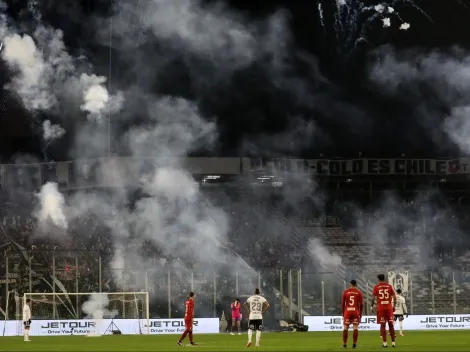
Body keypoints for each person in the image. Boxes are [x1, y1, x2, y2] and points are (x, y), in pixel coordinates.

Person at [371, 274, 397, 348]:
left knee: (383, 325)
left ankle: (385, 344)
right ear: (384, 279)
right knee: (391, 325)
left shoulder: (376, 287)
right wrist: (394, 306)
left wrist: (371, 306)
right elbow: (394, 297)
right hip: (389, 308)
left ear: (378, 279)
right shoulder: (389, 286)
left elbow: (373, 298)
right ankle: (393, 343)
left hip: (381, 308)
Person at [341, 280, 363, 349]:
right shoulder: (359, 292)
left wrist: (343, 312)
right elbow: (361, 304)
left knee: (345, 328)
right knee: (355, 328)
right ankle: (354, 344)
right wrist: (360, 313)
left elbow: (342, 303)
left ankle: (344, 345)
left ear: (350, 284)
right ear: (356, 284)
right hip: (355, 311)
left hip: (347, 311)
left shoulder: (345, 292)